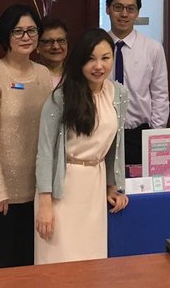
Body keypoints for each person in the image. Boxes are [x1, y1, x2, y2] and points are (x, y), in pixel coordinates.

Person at [35, 29, 130, 263]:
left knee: (92, 260)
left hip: (94, 187)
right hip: (62, 190)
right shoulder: (61, 97)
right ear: (79, 61)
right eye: (90, 58)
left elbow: (115, 146)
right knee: (59, 261)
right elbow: (45, 151)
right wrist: (46, 204)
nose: (98, 65)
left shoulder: (118, 93)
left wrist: (112, 186)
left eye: (105, 58)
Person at [0, 4, 52, 268]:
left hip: (37, 192)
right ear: (5, 35)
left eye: (31, 30)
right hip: (0, 196)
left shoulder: (43, 74)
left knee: (30, 266)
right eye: (18, 31)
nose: (26, 37)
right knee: (2, 270)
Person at [104, 0, 169, 165]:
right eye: (118, 7)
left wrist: (154, 136)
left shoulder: (152, 48)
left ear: (137, 12)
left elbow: (160, 95)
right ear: (108, 8)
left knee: (139, 191)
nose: (124, 14)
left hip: (138, 136)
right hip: (102, 134)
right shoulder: (97, 46)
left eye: (130, 9)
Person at [38, 16, 69, 89]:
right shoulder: (30, 76)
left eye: (61, 40)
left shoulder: (77, 76)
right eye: (48, 42)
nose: (56, 47)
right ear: (37, 46)